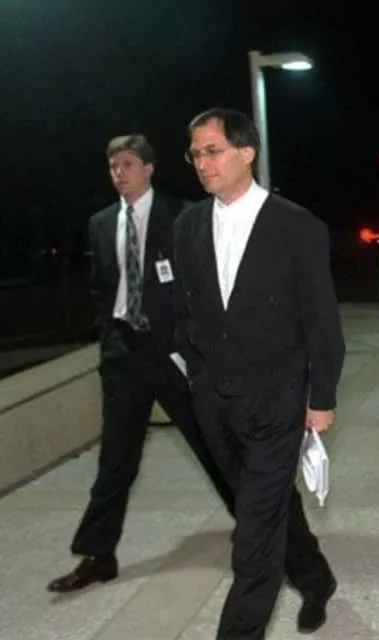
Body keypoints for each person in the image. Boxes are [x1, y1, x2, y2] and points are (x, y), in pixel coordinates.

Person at [172, 108, 344, 639]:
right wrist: (194, 375)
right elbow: (188, 311)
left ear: (247, 152)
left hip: (278, 402)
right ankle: (316, 579)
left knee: (252, 535)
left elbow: (322, 321)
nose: (203, 163)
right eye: (195, 154)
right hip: (214, 402)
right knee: (267, 507)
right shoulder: (187, 225)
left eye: (213, 151)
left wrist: (322, 397)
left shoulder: (297, 225)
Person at [48, 135, 234, 593]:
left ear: (149, 168)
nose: (120, 173)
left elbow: (203, 284)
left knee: (212, 442)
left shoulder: (184, 215)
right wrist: (109, 338)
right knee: (115, 458)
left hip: (171, 351)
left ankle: (260, 525)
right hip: (122, 353)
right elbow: (101, 288)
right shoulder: (101, 223)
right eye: (113, 166)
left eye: (128, 164)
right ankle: (98, 555)